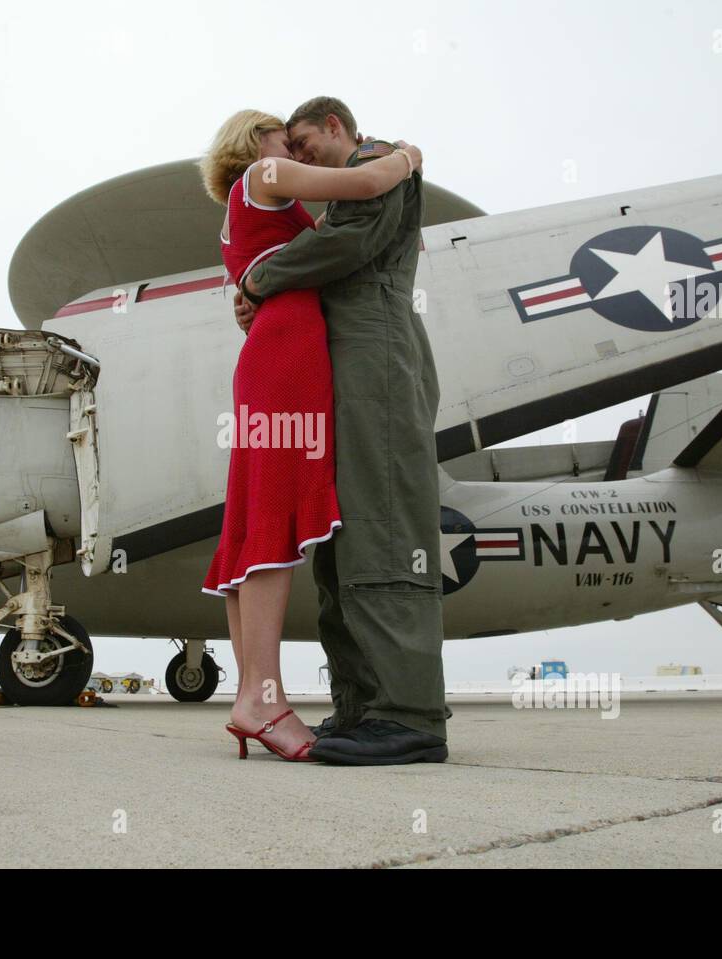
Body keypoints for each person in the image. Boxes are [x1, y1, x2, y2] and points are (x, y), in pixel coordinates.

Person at [198, 109, 421, 762]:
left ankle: (250, 694)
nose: (291, 150)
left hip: (269, 353)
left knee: (250, 524)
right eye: (283, 137)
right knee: (272, 520)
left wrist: (250, 294)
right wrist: (409, 154)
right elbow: (363, 186)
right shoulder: (265, 174)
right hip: (287, 355)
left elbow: (282, 264)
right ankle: (262, 699)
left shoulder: (248, 205)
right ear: (258, 141)